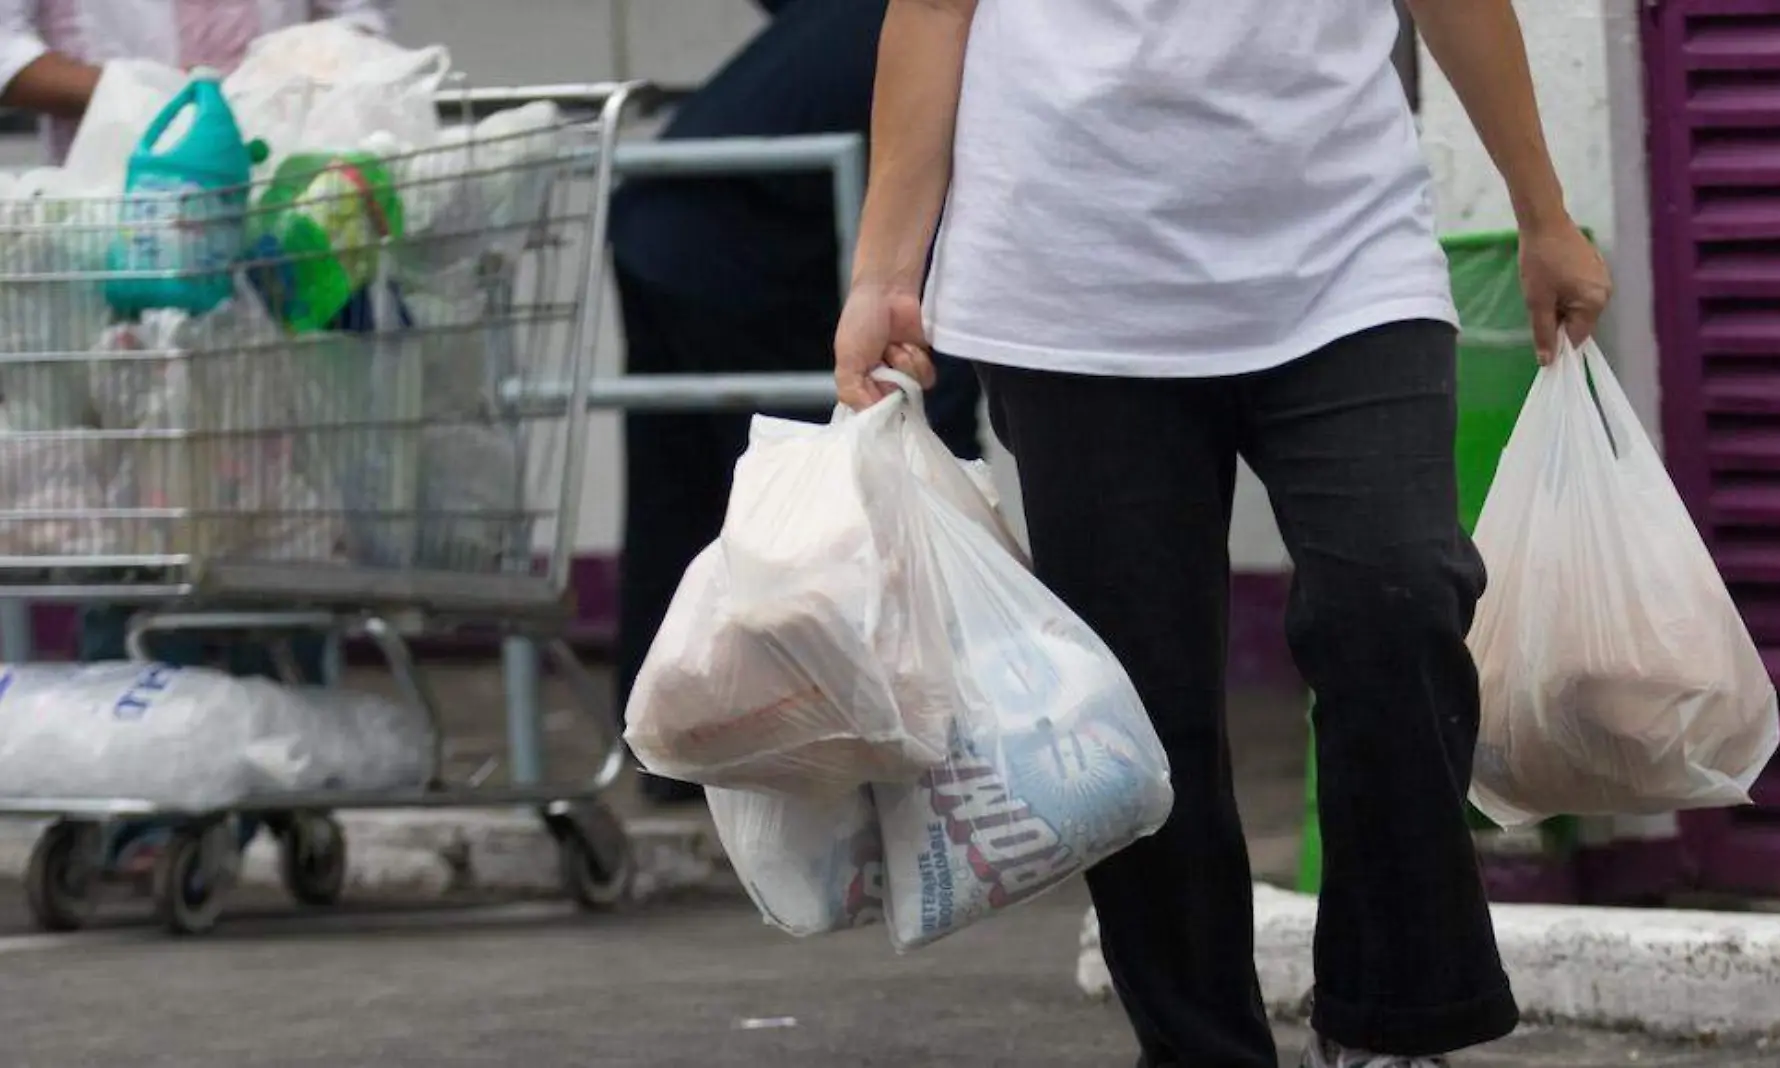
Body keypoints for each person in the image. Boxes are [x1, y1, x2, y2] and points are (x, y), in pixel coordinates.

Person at [837, 2, 1611, 1066]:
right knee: (1138, 717)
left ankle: (1393, 1027)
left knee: (1395, 598)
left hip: (1346, 258)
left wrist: (1542, 211)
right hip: (1070, 286)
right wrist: (884, 274)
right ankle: (1200, 1048)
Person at [0, 0, 395, 878]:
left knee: (282, 522)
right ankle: (151, 803)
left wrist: (301, 84)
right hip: (128, 238)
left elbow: (357, 25)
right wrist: (153, 99)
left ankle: (281, 772)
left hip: (285, 234)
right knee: (146, 529)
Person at [609, 0, 981, 805]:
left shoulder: (876, 17)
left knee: (685, 493)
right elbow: (946, 266)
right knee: (791, 509)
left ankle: (666, 750)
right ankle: (787, 738)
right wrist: (944, 454)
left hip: (659, 212)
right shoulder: (957, 45)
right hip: (731, 235)